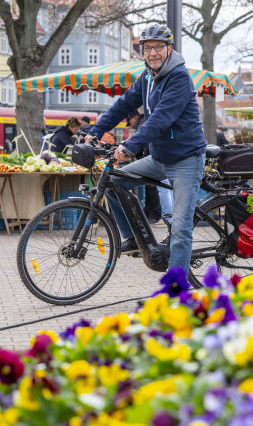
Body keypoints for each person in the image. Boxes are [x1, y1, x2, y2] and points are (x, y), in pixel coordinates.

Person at [86, 24, 206, 277]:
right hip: (160, 158)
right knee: (113, 183)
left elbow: (162, 118)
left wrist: (130, 146)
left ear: (169, 49)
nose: (153, 53)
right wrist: (96, 131)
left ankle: (176, 291)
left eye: (158, 47)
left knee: (181, 228)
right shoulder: (147, 77)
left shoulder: (179, 76)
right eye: (148, 48)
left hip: (186, 159)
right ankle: (132, 238)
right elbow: (124, 105)